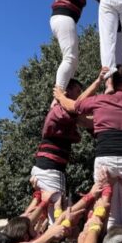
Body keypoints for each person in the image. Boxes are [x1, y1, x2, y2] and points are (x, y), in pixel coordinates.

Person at [55, 69, 122, 227]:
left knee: (107, 213)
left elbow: (74, 106)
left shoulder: (100, 99)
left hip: (106, 159)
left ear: (111, 83)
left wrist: (60, 96)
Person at [30, 79, 83, 221]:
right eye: (78, 92)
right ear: (67, 91)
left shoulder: (63, 113)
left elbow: (79, 132)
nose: (80, 96)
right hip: (51, 170)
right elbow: (77, 110)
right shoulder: (59, 110)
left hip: (47, 169)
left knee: (48, 214)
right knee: (57, 216)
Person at [50, 0, 100, 90]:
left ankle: (66, 90)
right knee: (70, 58)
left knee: (73, 62)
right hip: (63, 17)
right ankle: (58, 95)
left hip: (64, 19)